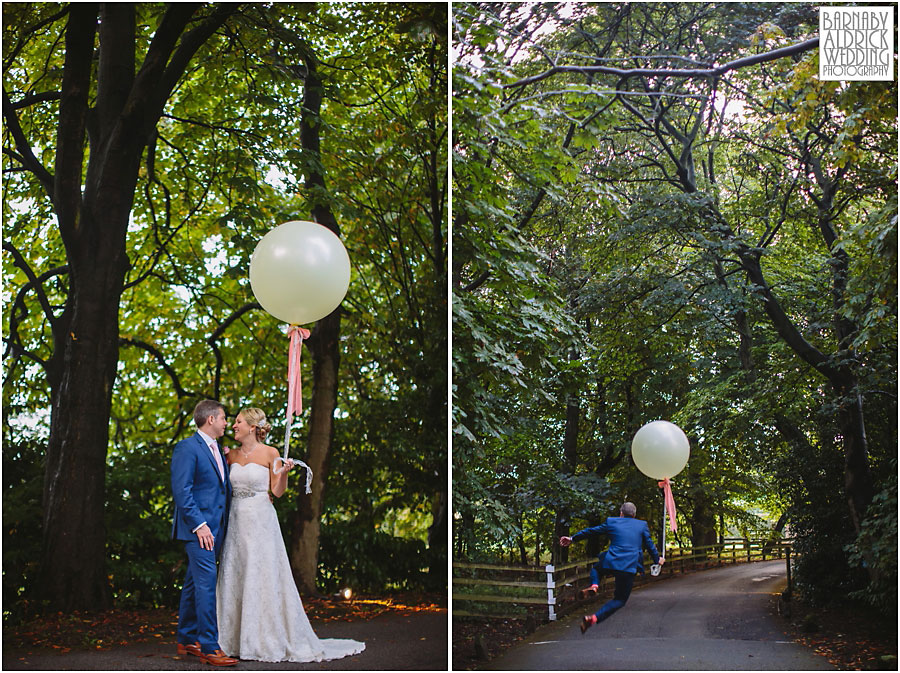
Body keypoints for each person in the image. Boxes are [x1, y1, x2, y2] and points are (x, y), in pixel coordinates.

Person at [215, 407, 365, 663]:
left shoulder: (271, 453)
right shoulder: (230, 456)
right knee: (235, 573)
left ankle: (263, 639)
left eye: (238, 422)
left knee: (262, 576)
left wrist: (283, 473)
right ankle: (231, 640)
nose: (233, 426)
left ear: (252, 427)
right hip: (237, 522)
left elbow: (277, 491)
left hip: (261, 522)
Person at [171, 399, 237, 666]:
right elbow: (182, 491)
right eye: (223, 418)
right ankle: (209, 646)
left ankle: (186, 639)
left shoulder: (218, 450)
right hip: (199, 530)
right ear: (210, 419)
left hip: (216, 528)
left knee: (192, 584)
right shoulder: (187, 447)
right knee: (206, 585)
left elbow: (219, 488)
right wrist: (200, 525)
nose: (226, 423)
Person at [560, 501, 665, 634]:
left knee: (596, 569)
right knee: (620, 600)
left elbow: (592, 531)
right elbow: (650, 545)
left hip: (612, 561)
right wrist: (657, 560)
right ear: (634, 515)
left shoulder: (612, 522)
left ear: (621, 513)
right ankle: (593, 618)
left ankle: (594, 585)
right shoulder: (641, 525)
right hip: (629, 566)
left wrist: (572, 538)